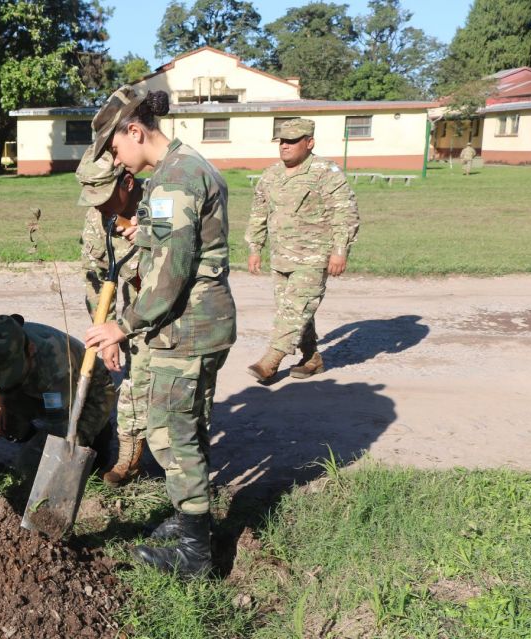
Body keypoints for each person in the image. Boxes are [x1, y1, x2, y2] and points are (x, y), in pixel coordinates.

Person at [84, 85, 237, 580]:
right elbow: (180, 244)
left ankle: (195, 555)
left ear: (135, 131)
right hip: (199, 324)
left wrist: (121, 326)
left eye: (114, 147)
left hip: (186, 328)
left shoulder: (175, 179)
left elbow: (172, 274)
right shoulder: (184, 166)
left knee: (172, 435)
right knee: (190, 426)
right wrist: (145, 232)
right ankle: (191, 520)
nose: (116, 159)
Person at [245, 118, 360, 383]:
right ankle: (311, 358)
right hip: (281, 256)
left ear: (309, 143)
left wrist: (340, 250)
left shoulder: (325, 172)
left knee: (295, 309)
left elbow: (345, 212)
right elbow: (259, 212)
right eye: (281, 141)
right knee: (294, 310)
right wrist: (255, 247)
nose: (284, 146)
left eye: (292, 141)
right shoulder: (271, 174)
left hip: (313, 256)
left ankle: (271, 360)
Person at [75, 146, 147, 487]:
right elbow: (95, 277)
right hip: (132, 316)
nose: (99, 206)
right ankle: (129, 458)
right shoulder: (98, 217)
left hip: (176, 313)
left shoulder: (161, 203)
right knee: (132, 382)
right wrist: (106, 332)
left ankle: (185, 467)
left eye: (104, 196)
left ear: (127, 183)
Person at [0, 314, 115, 476]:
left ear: (30, 349)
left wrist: (39, 453)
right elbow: (5, 378)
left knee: (34, 463)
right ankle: (34, 437)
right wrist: (2, 398)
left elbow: (60, 424)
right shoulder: (4, 343)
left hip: (89, 395)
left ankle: (98, 432)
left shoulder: (55, 364)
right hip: (42, 391)